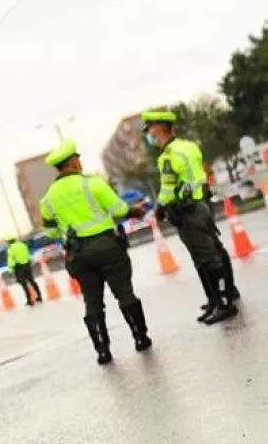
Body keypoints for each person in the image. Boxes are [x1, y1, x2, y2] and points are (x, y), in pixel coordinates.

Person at [39, 139, 151, 364]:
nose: (80, 162)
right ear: (72, 163)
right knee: (124, 293)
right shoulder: (93, 184)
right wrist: (135, 211)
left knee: (92, 302)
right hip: (107, 247)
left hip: (78, 255)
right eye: (77, 159)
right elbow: (119, 210)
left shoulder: (48, 198)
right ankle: (140, 338)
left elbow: (50, 233)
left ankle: (102, 351)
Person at [142, 110, 238, 324]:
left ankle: (223, 303)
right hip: (201, 203)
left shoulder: (167, 156)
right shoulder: (189, 146)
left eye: (149, 129)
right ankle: (221, 295)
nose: (149, 134)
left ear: (158, 128)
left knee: (205, 259)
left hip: (187, 211)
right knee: (214, 251)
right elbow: (199, 175)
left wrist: (159, 209)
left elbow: (167, 189)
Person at [6, 236, 42, 306]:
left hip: (18, 267)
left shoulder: (10, 249)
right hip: (27, 265)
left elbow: (11, 261)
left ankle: (30, 300)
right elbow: (28, 254)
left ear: (8, 242)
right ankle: (39, 296)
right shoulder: (23, 245)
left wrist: (11, 271)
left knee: (24, 284)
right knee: (32, 281)